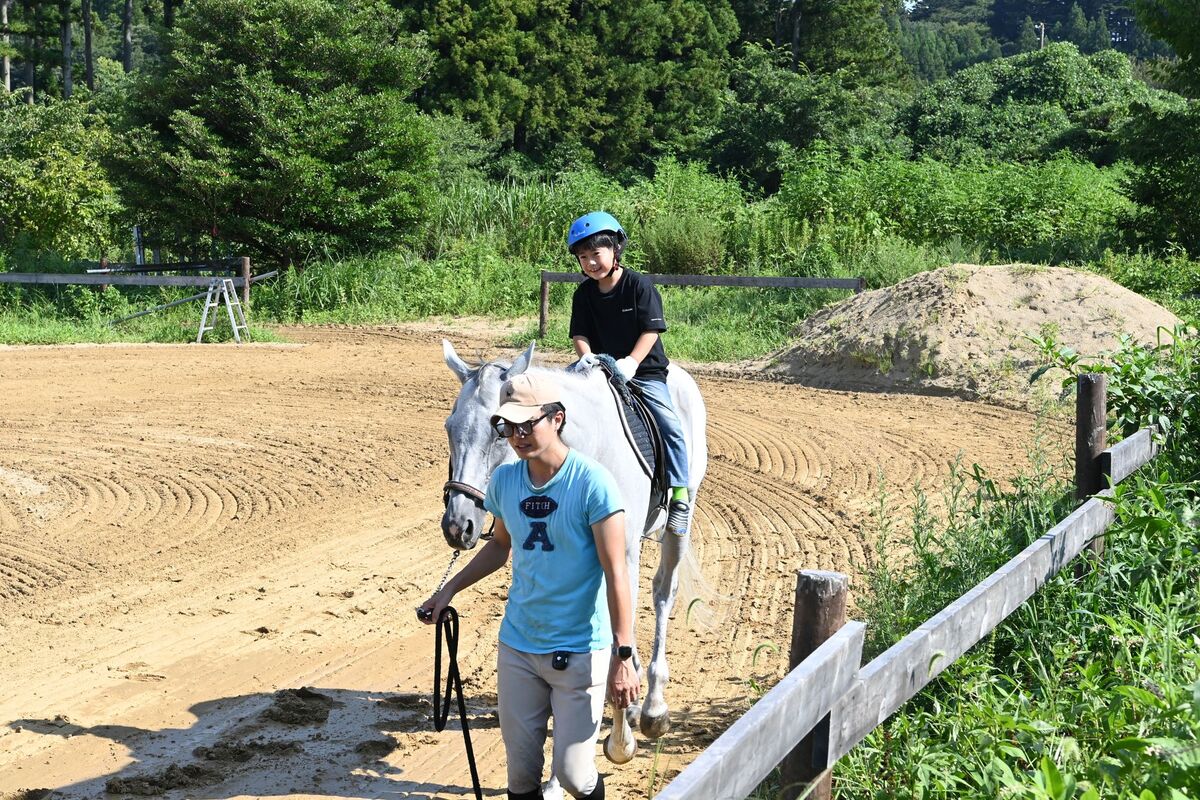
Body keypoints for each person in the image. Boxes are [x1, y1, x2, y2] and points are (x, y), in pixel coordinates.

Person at [420, 373, 638, 800]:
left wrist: (623, 654)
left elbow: (617, 574)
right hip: (519, 646)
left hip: (579, 650)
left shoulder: (594, 483)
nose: (516, 436)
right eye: (507, 426)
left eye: (526, 424)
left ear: (557, 419)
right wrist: (449, 590)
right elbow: (500, 545)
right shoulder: (504, 482)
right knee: (521, 780)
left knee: (575, 776)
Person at [566, 211, 691, 536]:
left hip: (643, 372)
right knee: (553, 406)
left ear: (615, 250)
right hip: (600, 371)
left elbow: (651, 331)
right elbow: (579, 334)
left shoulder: (639, 286)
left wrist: (632, 363)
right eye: (583, 257)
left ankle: (679, 494)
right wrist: (586, 358)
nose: (591, 262)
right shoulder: (583, 295)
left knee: (670, 424)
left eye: (596, 254)